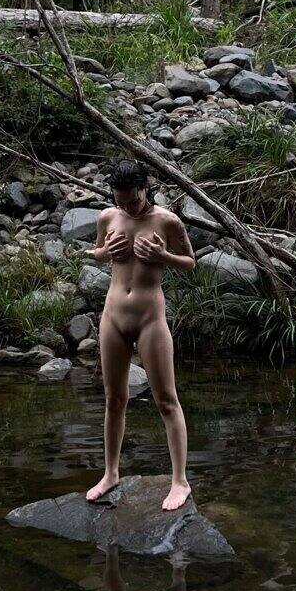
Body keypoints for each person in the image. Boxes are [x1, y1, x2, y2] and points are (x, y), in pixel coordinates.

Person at [84, 159, 196, 512]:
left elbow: (190, 262)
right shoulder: (108, 217)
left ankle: (180, 481)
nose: (128, 208)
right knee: (114, 399)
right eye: (121, 202)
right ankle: (110, 473)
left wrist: (163, 255)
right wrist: (105, 253)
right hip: (113, 316)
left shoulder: (167, 220)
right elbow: (97, 252)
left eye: (133, 201)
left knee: (166, 400)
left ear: (145, 189)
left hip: (150, 318)